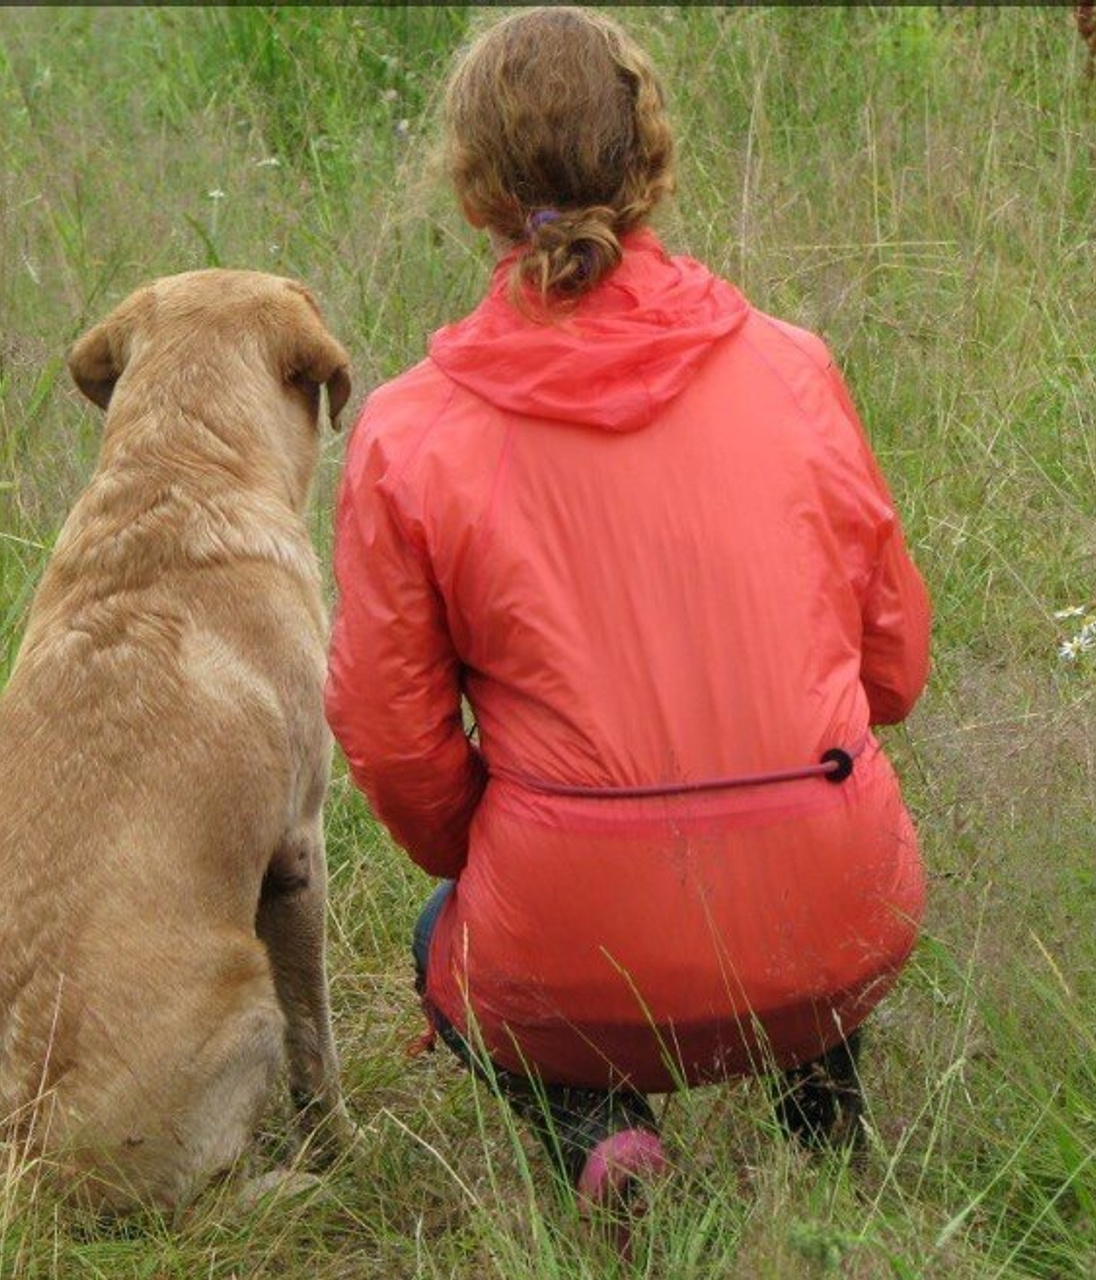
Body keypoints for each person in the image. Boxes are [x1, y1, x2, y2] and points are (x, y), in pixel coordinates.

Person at [325, 6, 930, 1218]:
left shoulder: (406, 430)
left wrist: (495, 854)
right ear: (650, 156)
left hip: (564, 935)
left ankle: (601, 1139)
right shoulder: (792, 367)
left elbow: (392, 739)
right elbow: (894, 669)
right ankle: (821, 1115)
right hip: (836, 900)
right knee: (808, 890)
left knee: (439, 932)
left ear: (474, 188)